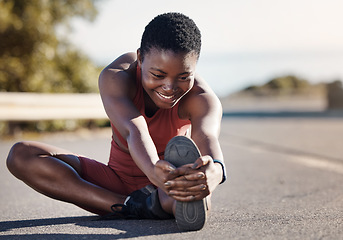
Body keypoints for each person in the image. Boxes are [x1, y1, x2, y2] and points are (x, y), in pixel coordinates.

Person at [6, 12, 226, 231]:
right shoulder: (116, 76)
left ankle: (166, 202)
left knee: (191, 194)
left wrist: (215, 172)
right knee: (21, 155)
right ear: (140, 58)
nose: (170, 87)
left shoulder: (202, 98)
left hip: (168, 184)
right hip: (116, 184)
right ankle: (130, 206)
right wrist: (152, 169)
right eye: (158, 75)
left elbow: (206, 136)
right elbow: (134, 129)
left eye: (183, 77)